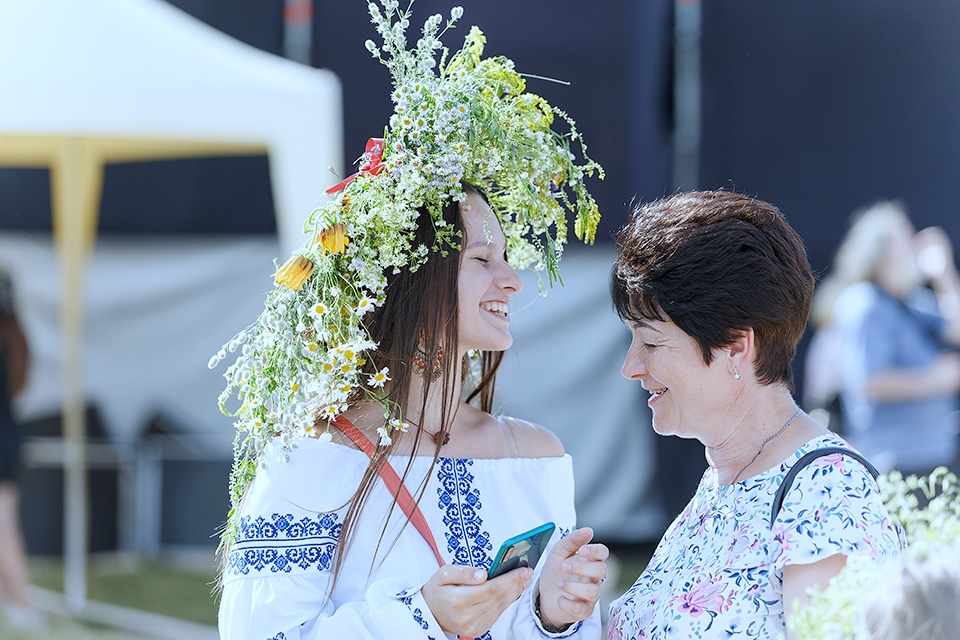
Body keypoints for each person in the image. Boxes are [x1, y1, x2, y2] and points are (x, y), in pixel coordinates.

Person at [213, 3, 608, 638]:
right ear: (415, 280)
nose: (511, 280)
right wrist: (418, 618)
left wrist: (552, 614)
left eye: (506, 257)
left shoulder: (536, 456)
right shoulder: (318, 458)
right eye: (482, 258)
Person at [606, 190, 902, 640]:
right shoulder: (723, 481)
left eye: (651, 342)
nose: (631, 367)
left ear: (735, 347)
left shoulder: (827, 494)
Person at [812, 201, 960, 475]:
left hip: (934, 456)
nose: (916, 246)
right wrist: (934, 379)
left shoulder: (910, 300)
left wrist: (944, 273)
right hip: (898, 463)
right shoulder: (864, 304)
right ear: (882, 253)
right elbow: (868, 382)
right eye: (906, 238)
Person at [0, 272, 45, 629]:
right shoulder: (15, 338)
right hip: (9, 436)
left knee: (3, 527)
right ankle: (20, 604)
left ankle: (26, 608)